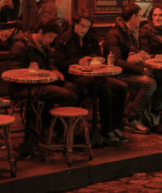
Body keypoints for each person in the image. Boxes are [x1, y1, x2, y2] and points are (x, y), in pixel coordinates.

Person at [53, 8, 128, 146]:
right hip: (75, 77)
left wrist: (96, 60)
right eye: (82, 26)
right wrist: (78, 61)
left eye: (87, 27)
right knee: (105, 91)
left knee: (122, 87)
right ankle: (106, 130)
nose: (84, 29)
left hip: (94, 76)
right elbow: (59, 63)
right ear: (75, 23)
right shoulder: (65, 39)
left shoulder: (91, 38)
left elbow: (97, 55)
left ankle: (116, 127)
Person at [9, 20, 79, 137]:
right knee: (70, 96)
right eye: (50, 37)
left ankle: (57, 127)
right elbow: (15, 72)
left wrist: (53, 70)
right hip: (26, 86)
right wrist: (41, 74)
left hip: (42, 82)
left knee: (78, 89)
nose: (51, 41)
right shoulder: (21, 46)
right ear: (41, 32)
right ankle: (58, 131)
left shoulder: (42, 45)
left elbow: (45, 65)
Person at [104, 3, 157, 134]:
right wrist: (140, 70)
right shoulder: (115, 34)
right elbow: (116, 61)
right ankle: (132, 119)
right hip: (114, 74)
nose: (141, 19)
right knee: (149, 83)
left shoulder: (128, 32)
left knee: (154, 77)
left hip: (124, 71)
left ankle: (143, 114)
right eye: (139, 16)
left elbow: (130, 50)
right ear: (133, 17)